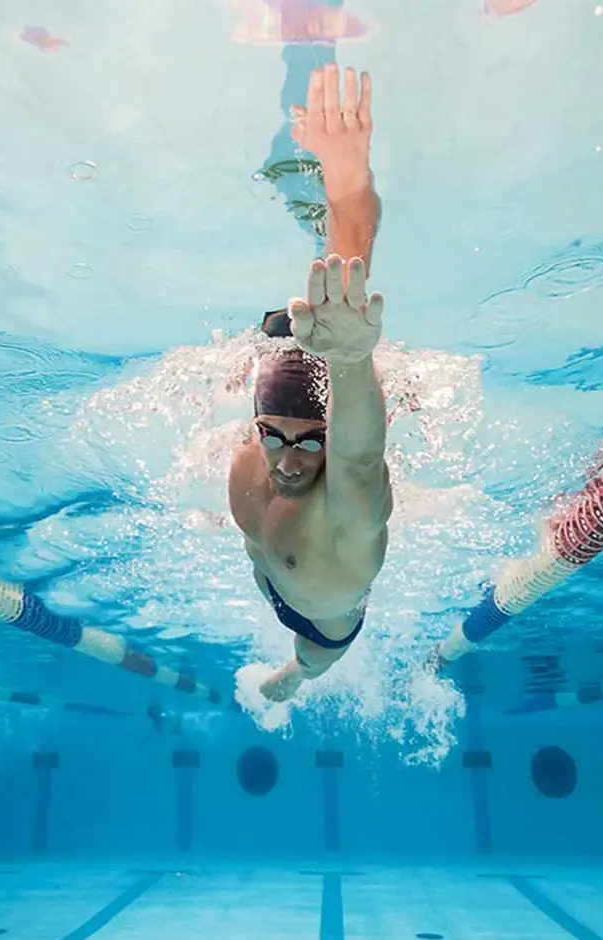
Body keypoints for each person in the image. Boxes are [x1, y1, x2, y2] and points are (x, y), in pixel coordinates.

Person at [228, 65, 391, 703]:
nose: (289, 460)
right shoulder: (256, 445)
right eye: (273, 435)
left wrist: (350, 182)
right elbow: (308, 339)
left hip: (323, 625)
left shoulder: (348, 516)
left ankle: (296, 681)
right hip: (274, 575)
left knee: (306, 665)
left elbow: (359, 453)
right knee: (306, 328)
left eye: (310, 442)